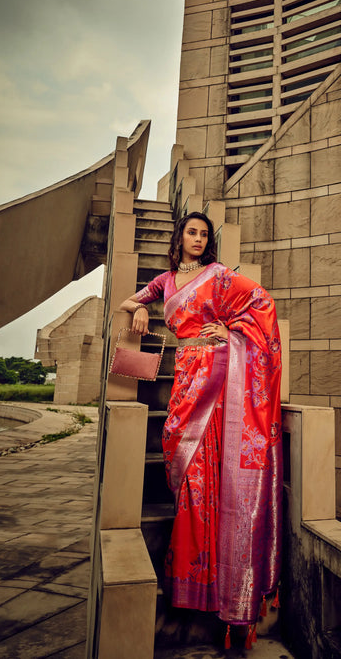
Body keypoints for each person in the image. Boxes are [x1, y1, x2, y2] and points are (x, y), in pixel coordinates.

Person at [120, 211, 282, 644]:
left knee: (210, 471)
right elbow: (127, 301)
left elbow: (261, 302)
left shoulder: (219, 275)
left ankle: (219, 585)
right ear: (180, 237)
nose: (196, 238)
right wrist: (137, 308)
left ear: (208, 241)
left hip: (217, 374)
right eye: (190, 232)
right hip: (185, 376)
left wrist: (227, 328)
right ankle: (195, 575)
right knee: (185, 466)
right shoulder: (166, 281)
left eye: (203, 234)